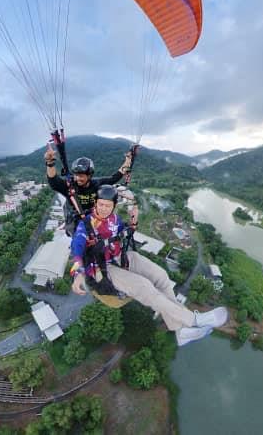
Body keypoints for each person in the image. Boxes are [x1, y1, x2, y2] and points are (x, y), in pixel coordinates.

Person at [69, 185, 227, 346]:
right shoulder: (87, 224)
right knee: (145, 287)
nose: (102, 208)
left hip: (121, 257)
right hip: (101, 268)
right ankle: (192, 319)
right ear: (95, 203)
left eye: (107, 205)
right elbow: (77, 250)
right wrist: (77, 274)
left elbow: (128, 230)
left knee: (161, 276)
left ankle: (180, 331)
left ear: (114, 206)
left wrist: (133, 216)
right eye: (100, 204)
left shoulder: (114, 219)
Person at [45, 147, 133, 235]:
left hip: (92, 215)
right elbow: (54, 181)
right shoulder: (70, 186)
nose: (77, 178)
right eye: (76, 175)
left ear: (89, 176)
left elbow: (115, 177)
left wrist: (128, 160)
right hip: (75, 218)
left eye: (81, 176)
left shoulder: (96, 184)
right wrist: (50, 163)